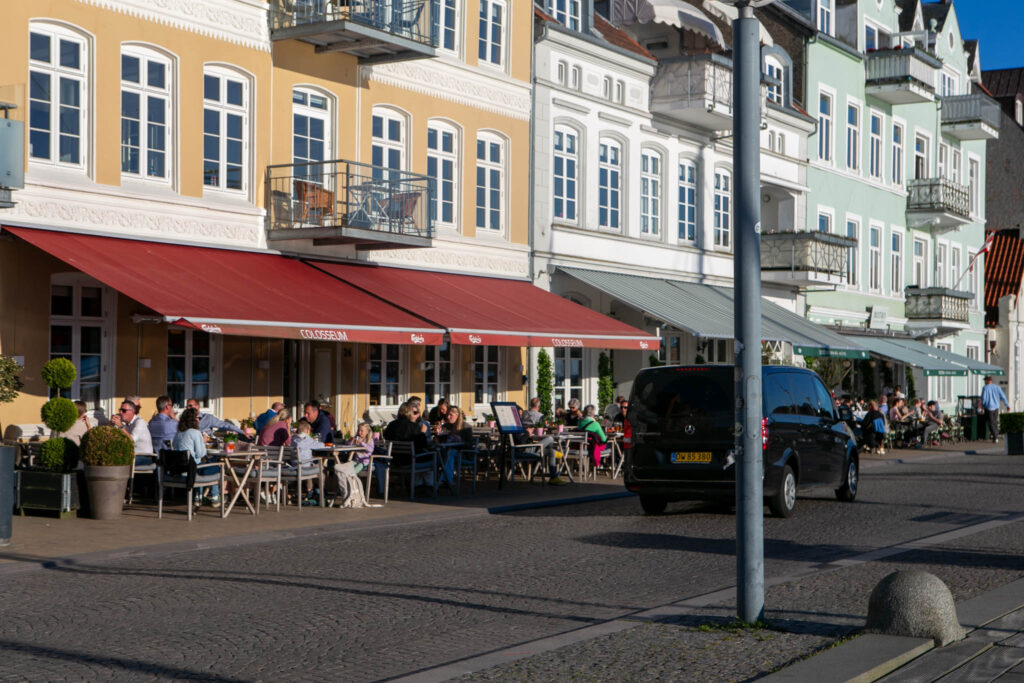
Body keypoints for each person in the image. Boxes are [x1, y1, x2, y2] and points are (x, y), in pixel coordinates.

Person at [173, 406, 217, 504]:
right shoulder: (195, 433)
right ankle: (215, 497)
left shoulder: (178, 433)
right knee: (217, 466)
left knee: (202, 465)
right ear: (194, 420)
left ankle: (199, 496)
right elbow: (201, 453)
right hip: (191, 468)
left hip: (179, 468)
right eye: (197, 418)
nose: (199, 420)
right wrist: (203, 441)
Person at [185, 398, 252, 439]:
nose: (188, 408)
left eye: (190, 406)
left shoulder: (208, 418)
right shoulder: (184, 419)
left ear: (197, 406)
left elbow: (225, 425)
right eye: (187, 406)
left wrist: (242, 432)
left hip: (206, 446)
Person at [289, 419, 320, 503]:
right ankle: (313, 492)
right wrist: (329, 444)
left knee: (309, 466)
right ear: (307, 431)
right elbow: (319, 445)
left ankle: (306, 492)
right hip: (304, 466)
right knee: (320, 471)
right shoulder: (308, 439)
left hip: (294, 465)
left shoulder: (293, 439)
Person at [980, 376, 1010, 443]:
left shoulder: (985, 388)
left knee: (990, 423)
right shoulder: (997, 387)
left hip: (989, 407)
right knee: (995, 422)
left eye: (985, 380)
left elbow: (984, 398)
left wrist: (982, 406)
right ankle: (995, 435)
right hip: (996, 407)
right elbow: (1003, 396)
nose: (984, 382)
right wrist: (1007, 405)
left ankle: (995, 436)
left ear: (987, 381)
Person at [578, 404, 608, 469]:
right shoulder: (595, 424)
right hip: (591, 447)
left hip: (580, 446)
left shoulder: (580, 422)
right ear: (593, 413)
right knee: (608, 444)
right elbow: (603, 439)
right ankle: (605, 464)